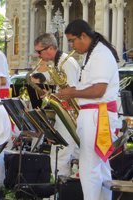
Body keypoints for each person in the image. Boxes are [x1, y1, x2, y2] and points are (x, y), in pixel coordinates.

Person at [58, 19, 120, 200]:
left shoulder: (100, 54)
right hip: (94, 114)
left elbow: (99, 90)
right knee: (99, 167)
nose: (71, 45)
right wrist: (74, 96)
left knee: (89, 167)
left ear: (83, 36)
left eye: (72, 40)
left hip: (97, 115)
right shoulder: (93, 53)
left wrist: (73, 93)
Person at [34, 33, 80, 178]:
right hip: (66, 114)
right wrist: (41, 78)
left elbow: (71, 91)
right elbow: (54, 78)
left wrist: (51, 97)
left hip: (71, 114)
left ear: (51, 48)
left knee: (60, 155)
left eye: (39, 51)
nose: (38, 55)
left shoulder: (66, 62)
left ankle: (60, 191)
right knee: (65, 153)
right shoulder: (57, 63)